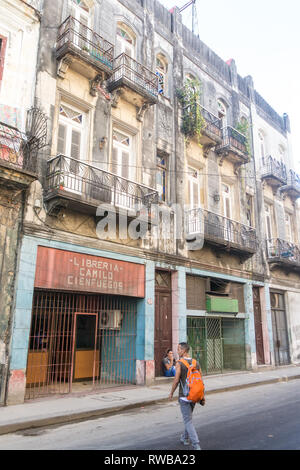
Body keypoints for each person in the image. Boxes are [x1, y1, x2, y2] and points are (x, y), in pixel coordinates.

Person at [169, 342, 205, 451]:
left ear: (184, 350)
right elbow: (201, 381)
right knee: (188, 418)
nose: (177, 351)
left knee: (188, 421)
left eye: (179, 349)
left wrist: (171, 392)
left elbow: (176, 380)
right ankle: (184, 437)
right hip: (194, 395)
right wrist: (202, 396)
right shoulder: (195, 362)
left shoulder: (179, 363)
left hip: (184, 396)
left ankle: (196, 444)